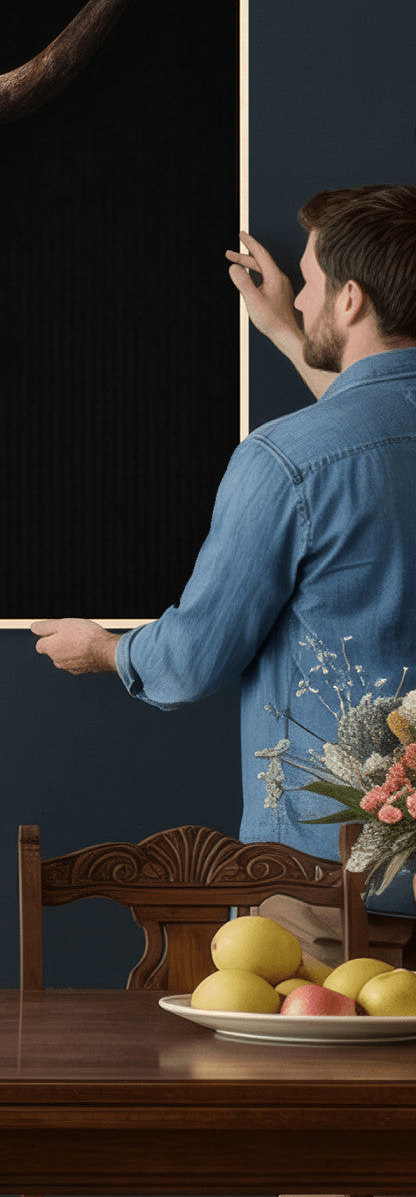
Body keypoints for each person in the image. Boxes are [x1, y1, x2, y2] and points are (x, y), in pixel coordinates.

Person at [32, 184, 416, 964]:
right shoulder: (318, 456)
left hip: (328, 888)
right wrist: (283, 329)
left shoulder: (286, 460)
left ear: (350, 300)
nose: (298, 295)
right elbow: (379, 441)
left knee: (316, 1085)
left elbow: (192, 659)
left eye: (307, 282)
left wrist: (105, 649)